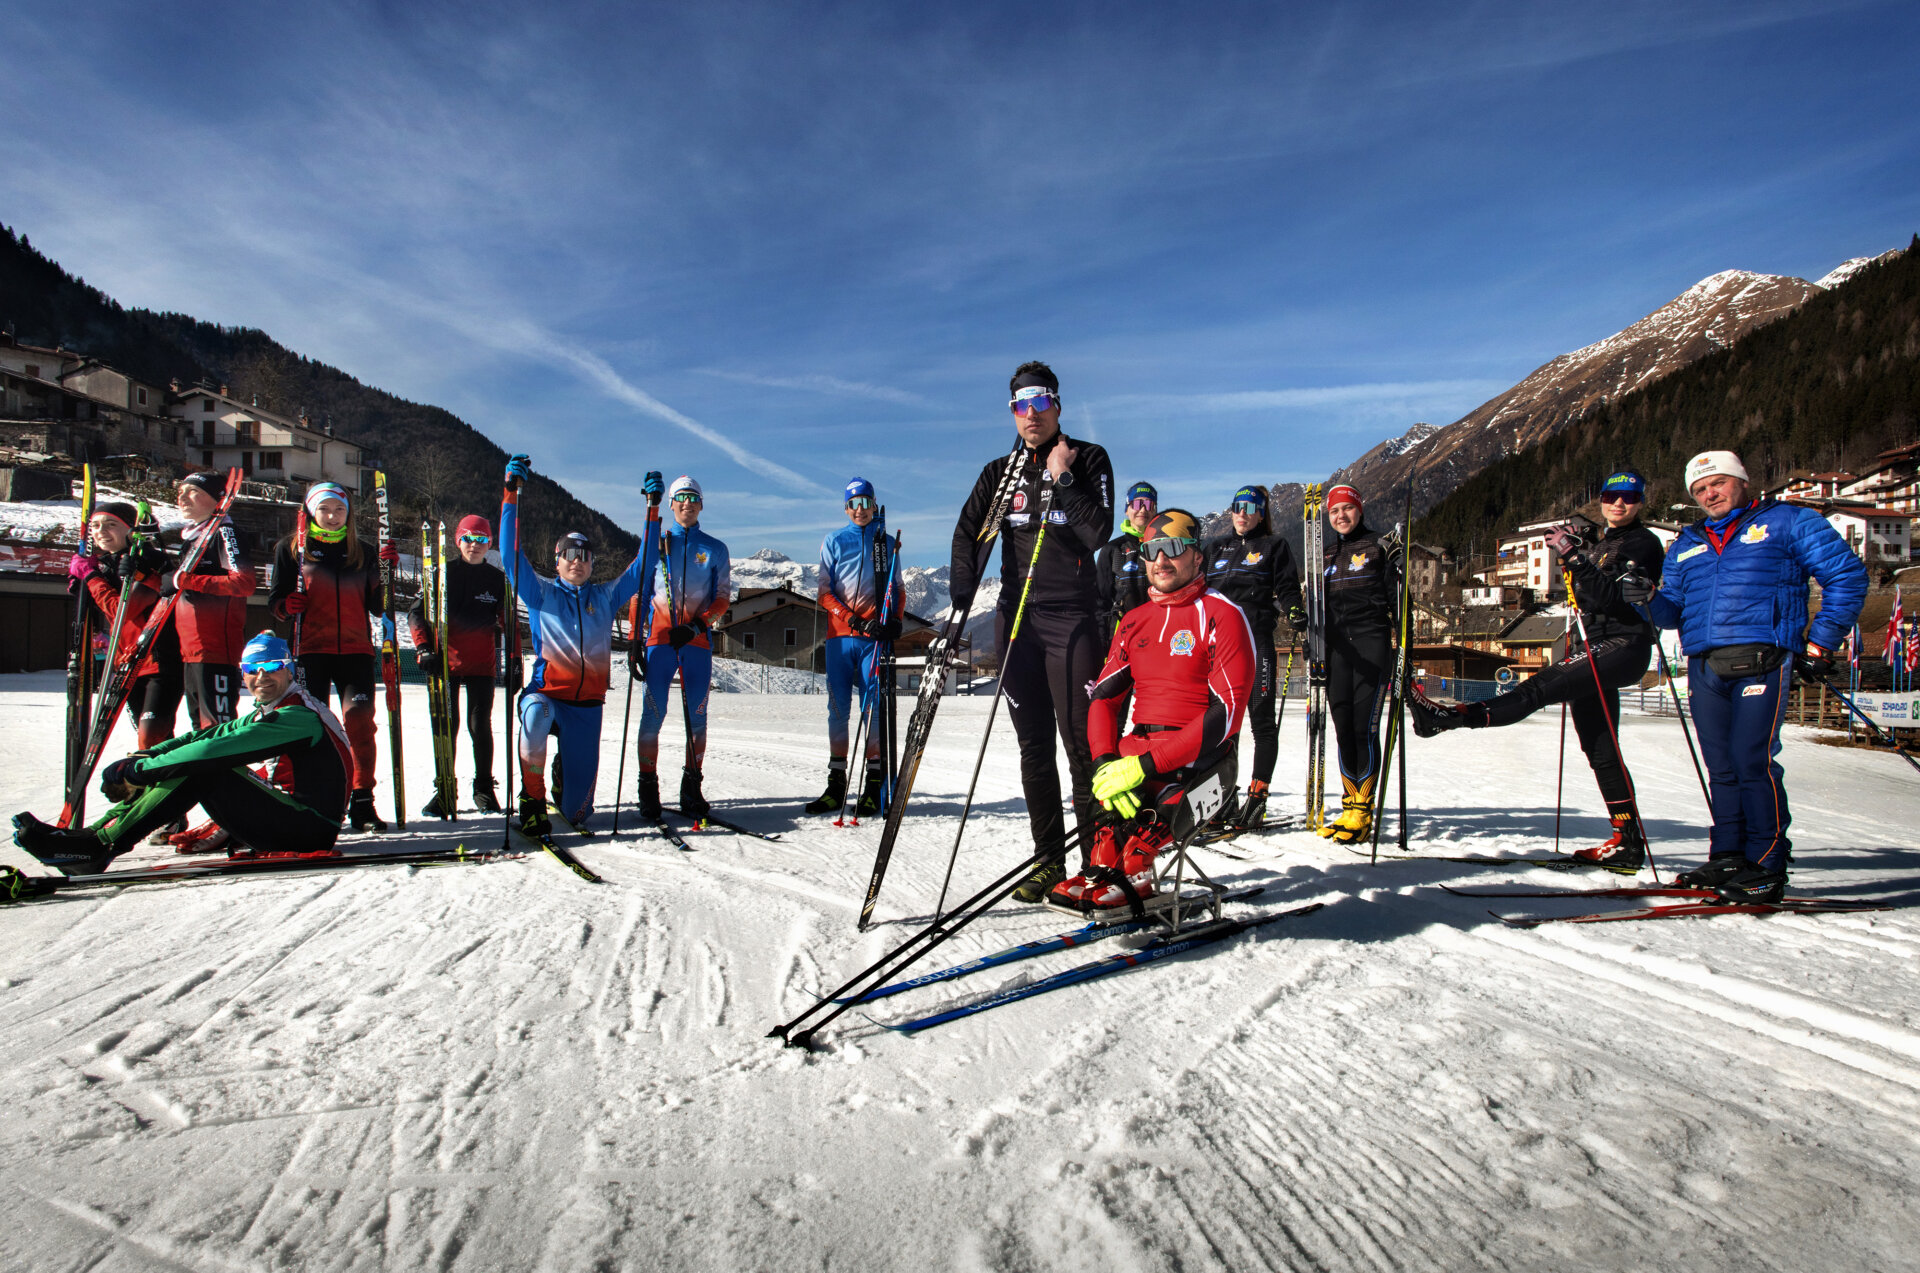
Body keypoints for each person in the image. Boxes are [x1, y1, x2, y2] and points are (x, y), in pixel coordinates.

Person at [1620, 450, 1867, 901]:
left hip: (1763, 657)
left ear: (1742, 481)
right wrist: (1648, 597)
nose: (1710, 494)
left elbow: (1847, 576)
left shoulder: (1789, 521)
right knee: (1722, 767)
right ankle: (1727, 856)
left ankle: (1767, 863)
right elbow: (1672, 613)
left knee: (1752, 761)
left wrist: (1821, 643)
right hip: (1704, 664)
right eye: (1699, 490)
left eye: (1717, 483)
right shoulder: (1688, 542)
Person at [1408, 470, 1667, 867]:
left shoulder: (1643, 542)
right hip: (1594, 642)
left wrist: (1573, 556)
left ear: (1641, 502)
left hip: (1622, 644)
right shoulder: (1604, 543)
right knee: (1600, 748)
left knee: (1538, 689)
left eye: (1629, 497)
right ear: (1600, 499)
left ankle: (1450, 718)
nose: (1619, 503)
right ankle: (1627, 840)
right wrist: (1582, 553)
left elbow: (1608, 597)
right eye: (1611, 496)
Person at [950, 361, 1115, 903]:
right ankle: (1048, 861)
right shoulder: (999, 473)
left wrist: (1063, 477)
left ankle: (1096, 864)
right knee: (1033, 749)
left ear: (1058, 406)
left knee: (1083, 748)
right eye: (1020, 405)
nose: (1031, 414)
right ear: (1013, 412)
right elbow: (967, 540)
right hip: (1016, 621)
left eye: (1040, 403)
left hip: (1073, 621)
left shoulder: (1088, 458)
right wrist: (957, 609)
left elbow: (1096, 532)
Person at [12, 632, 352, 874]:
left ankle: (98, 847)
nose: (261, 676)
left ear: (290, 669)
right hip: (297, 818)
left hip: (308, 829)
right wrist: (143, 757)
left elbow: (213, 749)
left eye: (272, 665)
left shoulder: (299, 717)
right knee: (191, 759)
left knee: (203, 765)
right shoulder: (280, 708)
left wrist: (141, 772)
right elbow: (212, 733)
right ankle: (89, 837)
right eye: (251, 669)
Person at [1054, 509, 1256, 909]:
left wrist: (1144, 767)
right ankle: (1102, 868)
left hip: (1205, 763)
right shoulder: (1133, 621)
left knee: (1144, 829)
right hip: (1141, 751)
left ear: (1197, 556)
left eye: (1173, 548)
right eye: (1151, 551)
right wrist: (1104, 763)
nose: (1161, 561)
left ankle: (1138, 873)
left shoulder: (1223, 615)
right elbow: (1104, 698)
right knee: (1104, 828)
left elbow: (1226, 715)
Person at [501, 456, 658, 838]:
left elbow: (644, 565)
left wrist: (653, 510)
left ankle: (562, 779)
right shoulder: (541, 594)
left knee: (578, 814)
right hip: (547, 695)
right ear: (557, 561)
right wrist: (510, 493)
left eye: (585, 556)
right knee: (535, 718)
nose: (577, 561)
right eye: (569, 555)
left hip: (587, 706)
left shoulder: (604, 598)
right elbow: (509, 555)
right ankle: (532, 802)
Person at [268, 482, 392, 831]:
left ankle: (362, 801)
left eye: (339, 510)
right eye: (325, 509)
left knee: (359, 723)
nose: (333, 516)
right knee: (313, 728)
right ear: (310, 511)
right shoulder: (291, 549)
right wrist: (284, 606)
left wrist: (385, 573)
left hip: (355, 651)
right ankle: (317, 798)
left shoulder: (363, 552)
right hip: (310, 651)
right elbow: (275, 600)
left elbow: (376, 605)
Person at [1203, 483, 1303, 827]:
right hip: (1216, 646)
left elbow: (1288, 585)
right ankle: (1220, 799)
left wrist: (1294, 609)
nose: (1242, 513)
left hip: (1255, 640)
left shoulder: (1274, 546)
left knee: (1261, 721)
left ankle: (1257, 797)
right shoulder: (1215, 547)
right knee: (1218, 725)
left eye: (1250, 506)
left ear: (1261, 512)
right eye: (1237, 506)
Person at [634, 475, 732, 821]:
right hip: (660, 643)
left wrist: (696, 625)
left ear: (701, 504)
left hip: (697, 643)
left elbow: (722, 599)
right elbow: (640, 593)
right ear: (672, 504)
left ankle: (692, 787)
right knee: (652, 716)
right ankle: (648, 788)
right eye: (681, 498)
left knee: (698, 719)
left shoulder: (715, 548)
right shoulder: (657, 543)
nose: (687, 503)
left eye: (693, 498)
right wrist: (635, 642)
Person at [806, 478, 904, 816]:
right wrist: (853, 620)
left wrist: (896, 620)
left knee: (873, 711)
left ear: (874, 505)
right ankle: (836, 783)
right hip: (840, 639)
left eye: (866, 502)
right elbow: (824, 592)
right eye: (854, 503)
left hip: (872, 642)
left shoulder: (887, 543)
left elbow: (898, 589)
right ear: (846, 508)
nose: (860, 509)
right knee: (837, 711)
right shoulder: (834, 541)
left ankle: (874, 784)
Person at [407, 514, 513, 814]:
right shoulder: (441, 574)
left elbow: (508, 623)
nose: (475, 545)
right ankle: (444, 790)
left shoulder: (497, 579)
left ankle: (483, 790)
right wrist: (424, 647)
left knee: (480, 727)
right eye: (468, 538)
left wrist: (514, 662)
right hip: (446, 664)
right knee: (447, 728)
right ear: (458, 540)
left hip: (482, 664)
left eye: (482, 539)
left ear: (489, 543)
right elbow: (416, 614)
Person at [1316, 484, 1400, 844]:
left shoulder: (1379, 546)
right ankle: (1350, 802)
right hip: (1337, 652)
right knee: (1342, 726)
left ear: (1359, 511)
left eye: (1347, 509)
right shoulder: (1327, 554)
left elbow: (1400, 600)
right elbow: (1318, 608)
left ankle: (1363, 809)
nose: (1341, 516)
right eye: (1335, 512)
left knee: (1364, 728)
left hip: (1372, 645)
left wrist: (1403, 647)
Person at [167, 470, 256, 732]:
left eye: (193, 492)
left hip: (215, 647)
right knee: (199, 727)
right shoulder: (194, 536)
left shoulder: (224, 531)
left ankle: (226, 774)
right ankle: (204, 774)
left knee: (217, 726)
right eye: (180, 492)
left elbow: (244, 583)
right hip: (191, 648)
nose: (182, 498)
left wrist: (190, 581)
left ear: (217, 499)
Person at [1094, 481, 1158, 639]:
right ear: (1127, 510)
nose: (1143, 509)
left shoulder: (1164, 546)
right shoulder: (1112, 549)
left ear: (1155, 510)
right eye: (1137, 504)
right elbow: (1099, 600)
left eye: (1149, 504)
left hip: (1158, 630)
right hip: (1122, 633)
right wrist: (1102, 641)